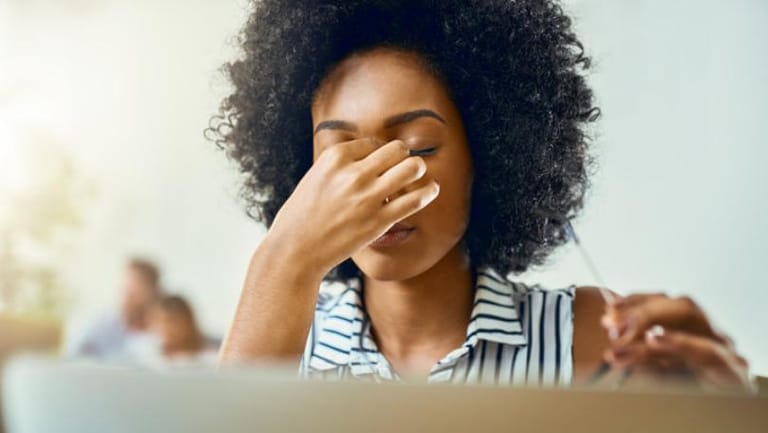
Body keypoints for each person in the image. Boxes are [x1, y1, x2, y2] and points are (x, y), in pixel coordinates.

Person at [209, 0, 752, 390]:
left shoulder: (586, 338)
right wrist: (284, 260)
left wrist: (733, 416)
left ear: (489, 154)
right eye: (340, 155)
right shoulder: (276, 343)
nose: (376, 186)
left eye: (417, 147)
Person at [64, 257, 163, 361]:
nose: (127, 294)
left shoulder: (163, 330)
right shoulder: (102, 322)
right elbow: (72, 355)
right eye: (127, 288)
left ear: (155, 291)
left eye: (135, 289)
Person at [147, 294, 210, 361]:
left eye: (171, 321)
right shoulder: (148, 356)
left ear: (188, 323)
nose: (164, 328)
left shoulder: (207, 357)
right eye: (158, 321)